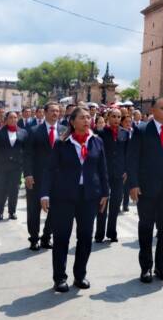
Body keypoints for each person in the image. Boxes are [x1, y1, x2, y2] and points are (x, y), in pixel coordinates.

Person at [40, 106, 109, 292]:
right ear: (72, 121)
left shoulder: (97, 141)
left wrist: (105, 193)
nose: (87, 120)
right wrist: (45, 193)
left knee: (86, 237)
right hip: (64, 196)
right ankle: (60, 278)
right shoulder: (62, 142)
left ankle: (80, 275)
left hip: (89, 197)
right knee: (62, 237)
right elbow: (50, 169)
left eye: (88, 117)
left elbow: (102, 169)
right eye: (82, 117)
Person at [127, 98, 163, 283]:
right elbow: (133, 158)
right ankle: (146, 267)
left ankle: (161, 265)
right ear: (153, 110)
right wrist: (133, 184)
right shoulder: (142, 129)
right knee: (146, 226)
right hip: (147, 187)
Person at [24, 102, 62, 250]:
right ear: (45, 113)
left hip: (58, 179)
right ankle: (34, 238)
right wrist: (28, 174)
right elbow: (27, 155)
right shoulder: (33, 131)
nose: (55, 113)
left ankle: (47, 237)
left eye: (57, 111)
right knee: (34, 209)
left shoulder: (64, 131)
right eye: (52, 111)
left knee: (55, 209)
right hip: (37, 176)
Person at [94, 108, 128, 243]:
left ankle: (112, 232)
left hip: (119, 174)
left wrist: (126, 170)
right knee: (102, 203)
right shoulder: (100, 133)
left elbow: (127, 154)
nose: (116, 119)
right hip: (104, 173)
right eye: (113, 116)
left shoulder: (125, 133)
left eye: (119, 117)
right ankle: (99, 233)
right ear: (108, 117)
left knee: (115, 203)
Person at [0, 110, 27, 221]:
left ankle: (12, 212)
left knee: (14, 190)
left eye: (15, 118)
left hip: (16, 167)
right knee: (1, 189)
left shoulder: (23, 132)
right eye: (11, 117)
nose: (13, 120)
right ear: (6, 119)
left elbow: (26, 150)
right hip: (2, 166)